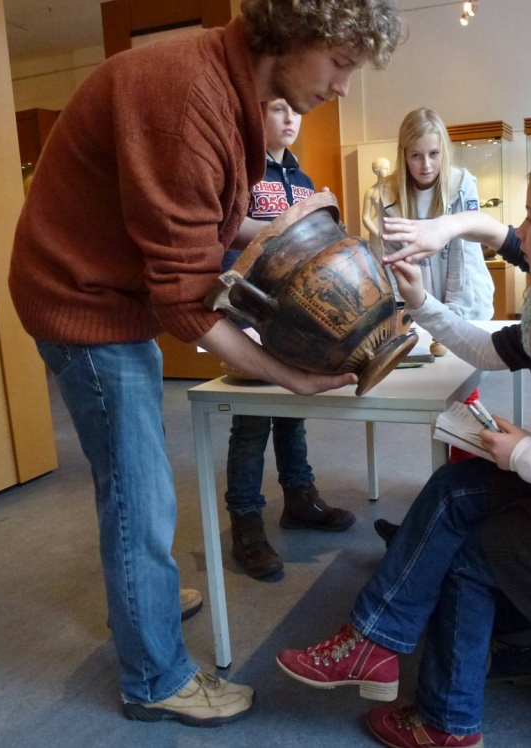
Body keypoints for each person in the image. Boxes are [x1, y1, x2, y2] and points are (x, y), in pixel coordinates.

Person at [8, 0, 404, 728]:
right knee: (139, 494)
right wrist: (291, 376)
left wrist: (292, 226)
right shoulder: (186, 94)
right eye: (343, 63)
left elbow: (211, 223)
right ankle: (153, 679)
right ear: (298, 34)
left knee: (137, 475)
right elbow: (187, 303)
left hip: (115, 290)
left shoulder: (230, 91)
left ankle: (144, 598)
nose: (344, 86)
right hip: (83, 301)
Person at [276, 145, 531, 747]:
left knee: (473, 554)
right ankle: (374, 642)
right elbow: (489, 350)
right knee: (450, 489)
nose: (519, 233)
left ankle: (447, 723)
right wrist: (421, 304)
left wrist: (529, 456)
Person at [222, 99, 355, 580]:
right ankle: (246, 523)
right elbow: (226, 236)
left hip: (294, 320)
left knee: (293, 412)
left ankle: (298, 496)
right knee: (252, 424)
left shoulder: (299, 180)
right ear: (255, 116)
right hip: (251, 314)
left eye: (296, 111)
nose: (291, 118)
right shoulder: (240, 171)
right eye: (278, 109)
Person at [384, 107, 494, 319]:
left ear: (443, 150)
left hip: (466, 307)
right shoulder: (388, 194)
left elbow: (463, 257)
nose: (426, 165)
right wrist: (404, 311)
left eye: (433, 154)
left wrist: (453, 317)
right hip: (418, 307)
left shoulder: (462, 185)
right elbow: (393, 259)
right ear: (404, 154)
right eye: (416, 155)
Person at [362, 157, 393, 257]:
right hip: (377, 228)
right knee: (378, 259)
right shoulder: (371, 192)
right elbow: (365, 217)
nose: (388, 171)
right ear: (376, 172)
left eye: (389, 168)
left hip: (393, 227)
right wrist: (377, 234)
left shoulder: (395, 189)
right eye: (384, 168)